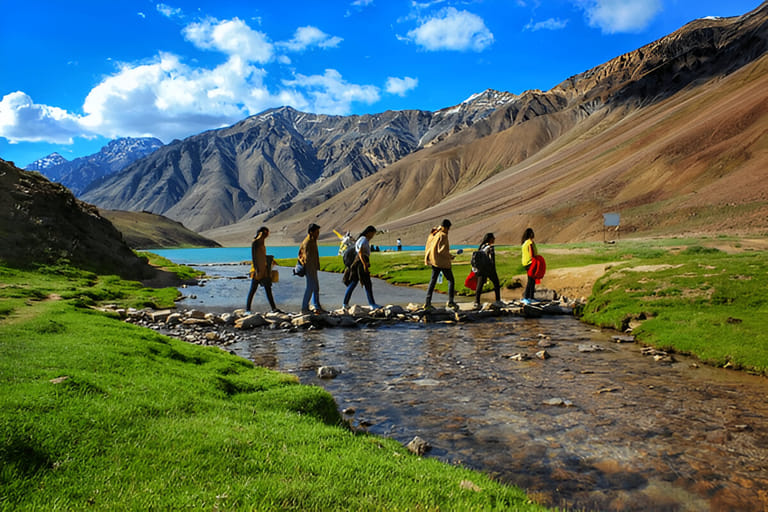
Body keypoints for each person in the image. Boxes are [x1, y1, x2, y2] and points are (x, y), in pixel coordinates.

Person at [343, 225, 380, 310]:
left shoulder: (362, 239)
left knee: (353, 283)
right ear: (369, 232)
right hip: (360, 263)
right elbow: (360, 253)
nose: (372, 236)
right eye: (372, 234)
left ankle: (345, 304)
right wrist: (364, 264)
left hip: (358, 263)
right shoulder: (363, 239)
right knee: (367, 283)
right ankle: (372, 304)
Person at [424, 219, 457, 310]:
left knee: (433, 281)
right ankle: (450, 302)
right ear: (446, 227)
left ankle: (427, 302)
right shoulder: (443, 235)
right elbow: (441, 250)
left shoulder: (436, 233)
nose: (448, 230)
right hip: (442, 262)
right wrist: (450, 256)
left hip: (434, 261)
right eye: (448, 228)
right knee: (451, 280)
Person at [246, 226, 280, 313]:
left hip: (264, 270)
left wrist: (270, 260)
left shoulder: (262, 242)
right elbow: (254, 257)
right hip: (257, 270)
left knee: (268, 289)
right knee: (252, 290)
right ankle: (248, 310)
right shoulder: (255, 242)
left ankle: (273, 308)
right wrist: (257, 270)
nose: (267, 235)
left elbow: (261, 255)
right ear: (263, 232)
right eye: (267, 233)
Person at [298, 223, 325, 314]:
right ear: (311, 232)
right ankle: (304, 308)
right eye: (316, 232)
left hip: (313, 267)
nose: (318, 234)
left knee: (315, 287)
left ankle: (317, 306)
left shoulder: (313, 240)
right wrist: (311, 269)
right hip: (309, 268)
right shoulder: (307, 242)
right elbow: (306, 258)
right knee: (310, 288)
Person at [473, 233, 502, 309]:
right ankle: (498, 300)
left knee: (479, 285)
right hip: (489, 268)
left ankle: (476, 302)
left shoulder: (482, 246)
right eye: (493, 238)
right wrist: (493, 269)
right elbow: (492, 259)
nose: (494, 239)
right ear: (490, 239)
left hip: (481, 269)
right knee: (496, 283)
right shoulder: (490, 247)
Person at [521, 227, 537, 304]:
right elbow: (531, 253)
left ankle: (530, 297)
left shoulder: (524, 243)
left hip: (525, 263)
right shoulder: (530, 242)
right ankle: (527, 297)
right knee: (531, 281)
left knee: (531, 280)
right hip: (530, 263)